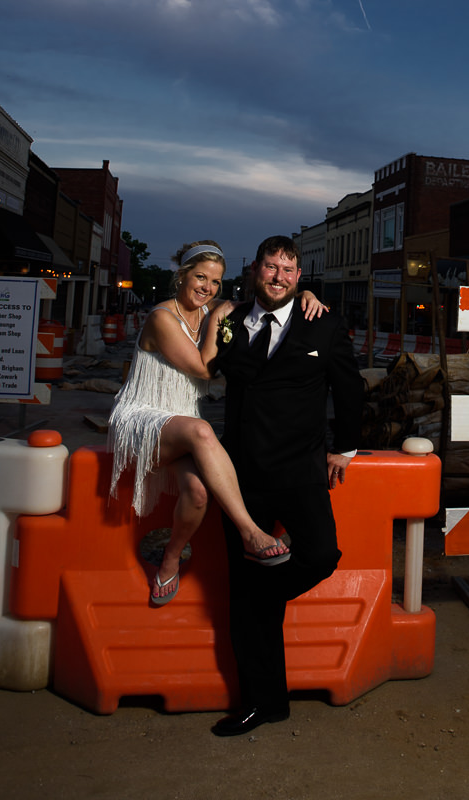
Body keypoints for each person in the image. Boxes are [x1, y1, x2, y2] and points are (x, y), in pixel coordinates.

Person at [202, 234, 365, 737]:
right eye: (270, 267)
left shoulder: (324, 321)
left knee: (320, 554)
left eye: (288, 269)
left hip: (300, 471)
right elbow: (199, 367)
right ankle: (264, 703)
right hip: (242, 474)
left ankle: (260, 598)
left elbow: (350, 387)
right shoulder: (230, 324)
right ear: (256, 271)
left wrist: (348, 446)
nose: (278, 276)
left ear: (300, 277)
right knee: (242, 586)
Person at [108, 239, 325, 606]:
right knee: (204, 430)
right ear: (181, 276)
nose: (207, 287)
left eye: (215, 282)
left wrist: (304, 295)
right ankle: (251, 533)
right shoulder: (162, 317)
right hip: (143, 418)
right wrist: (217, 323)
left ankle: (171, 559)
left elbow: (269, 297)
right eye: (200, 277)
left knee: (199, 493)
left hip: (183, 425)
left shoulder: (213, 311)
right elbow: (204, 370)